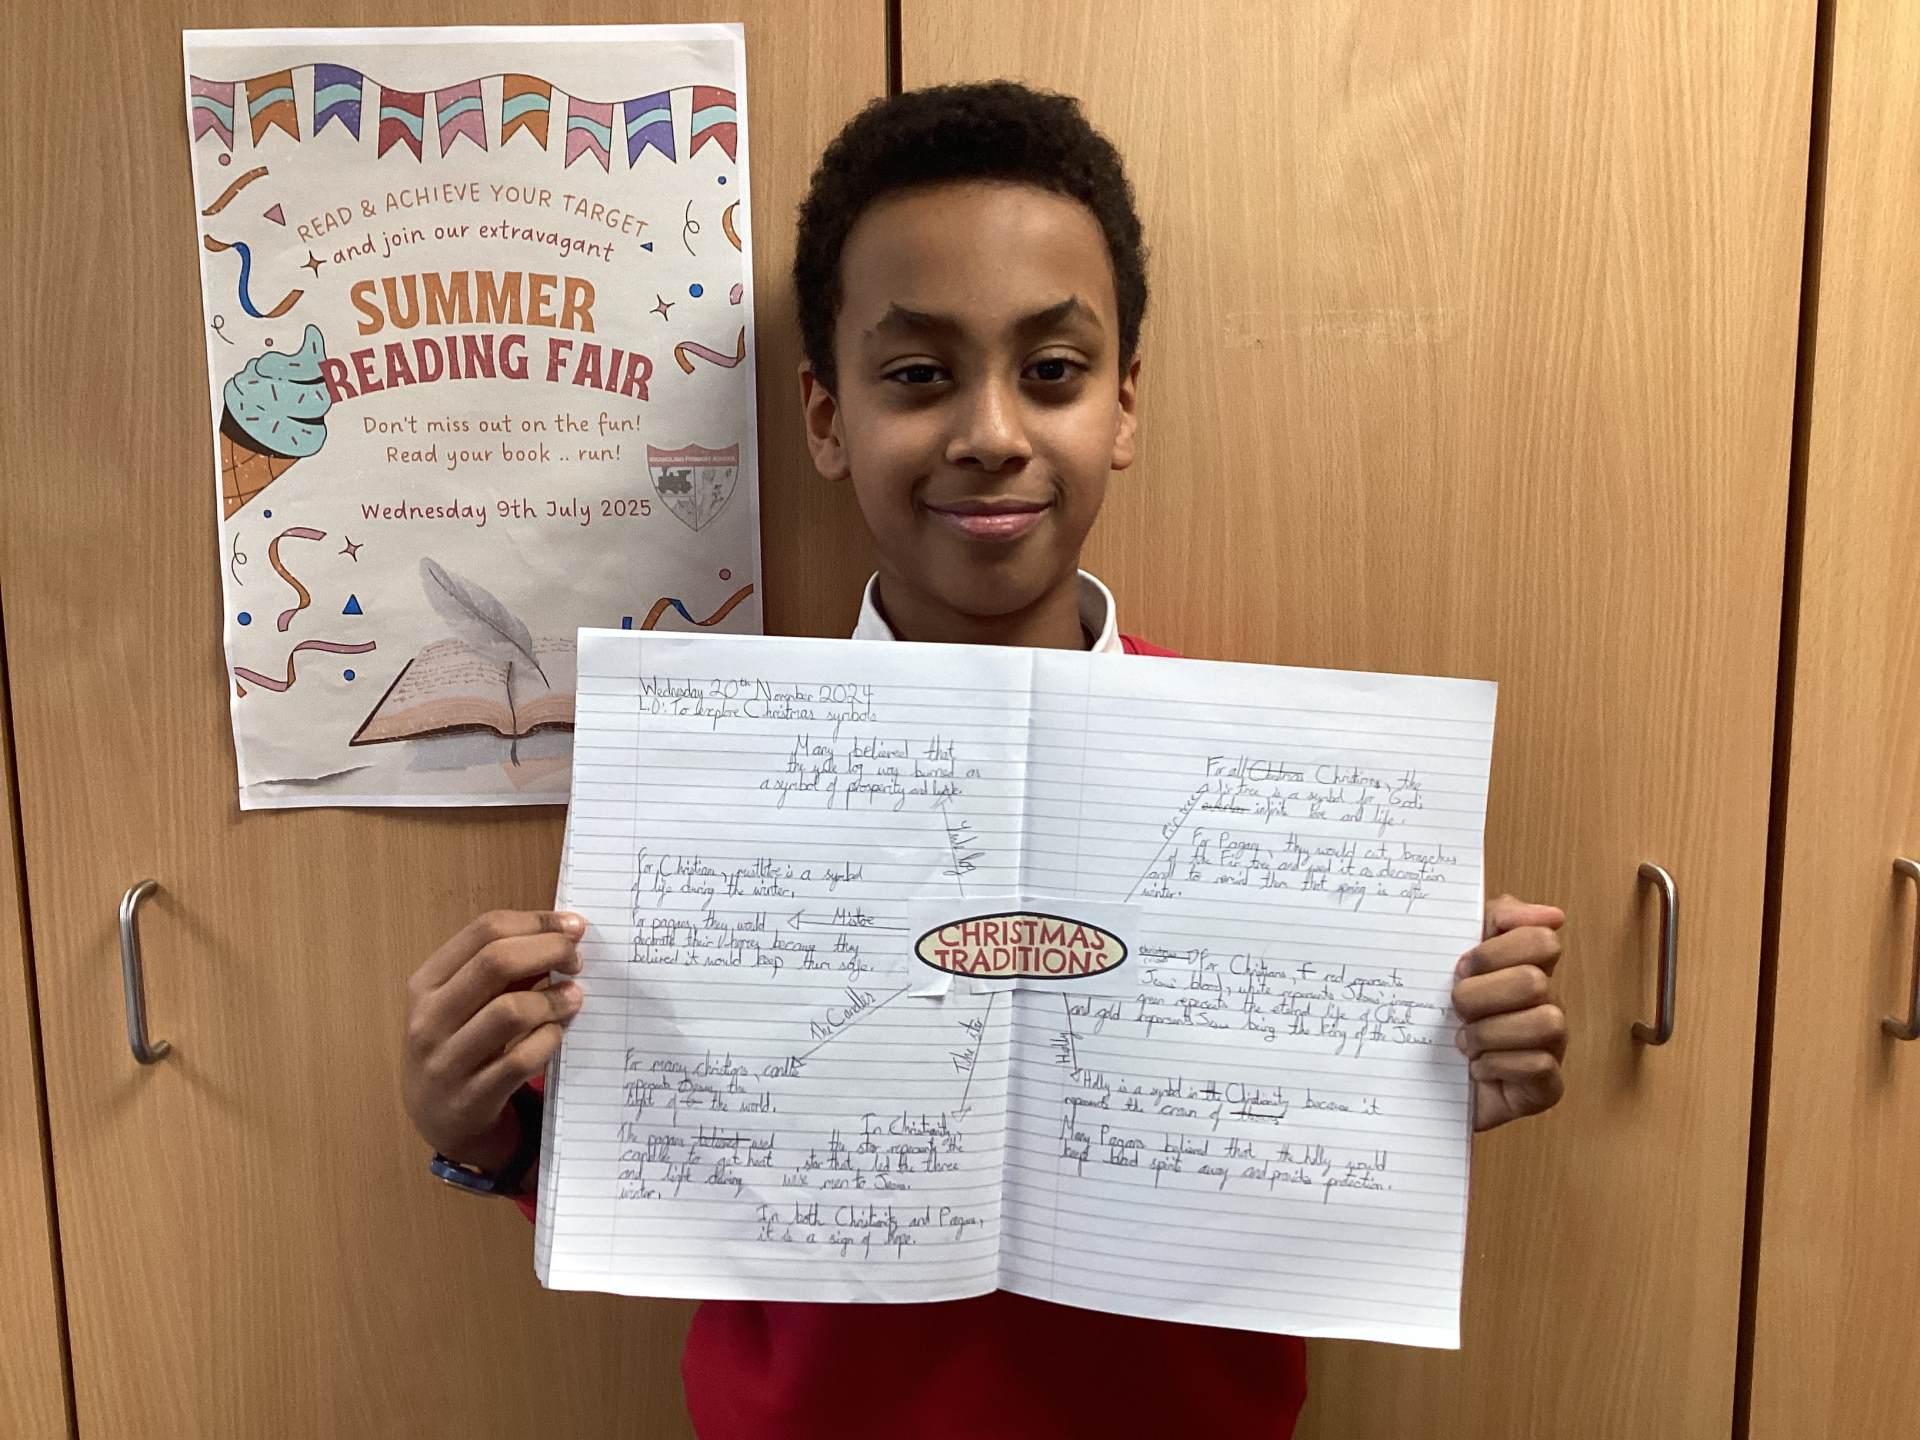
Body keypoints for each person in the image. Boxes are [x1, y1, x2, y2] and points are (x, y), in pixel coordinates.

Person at [402, 81, 1569, 1438]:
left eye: (1054, 371)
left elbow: (1305, 1155)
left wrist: (1435, 1074)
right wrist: (481, 1129)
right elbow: (673, 1167)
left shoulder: (1280, 802)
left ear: (1124, 404)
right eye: (917, 375)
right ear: (826, 417)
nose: (994, 433)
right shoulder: (708, 784)